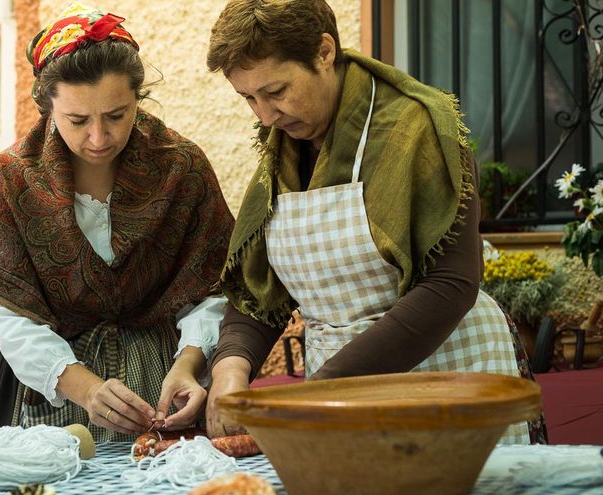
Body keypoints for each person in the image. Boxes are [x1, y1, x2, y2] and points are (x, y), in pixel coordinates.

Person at [202, 0, 546, 445]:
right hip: (337, 389)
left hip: (448, 376)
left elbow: (450, 284)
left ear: (324, 52)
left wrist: (330, 383)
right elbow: (262, 293)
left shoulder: (417, 127)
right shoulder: (283, 149)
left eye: (276, 91)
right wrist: (232, 364)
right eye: (248, 98)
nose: (265, 116)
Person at [0, 2, 234, 442]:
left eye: (117, 115)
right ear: (47, 106)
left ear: (138, 98)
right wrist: (82, 387)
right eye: (78, 120)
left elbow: (212, 287)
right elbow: (7, 313)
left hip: (163, 387)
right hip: (49, 394)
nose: (99, 138)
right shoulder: (8, 181)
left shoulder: (182, 168)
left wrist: (190, 363)